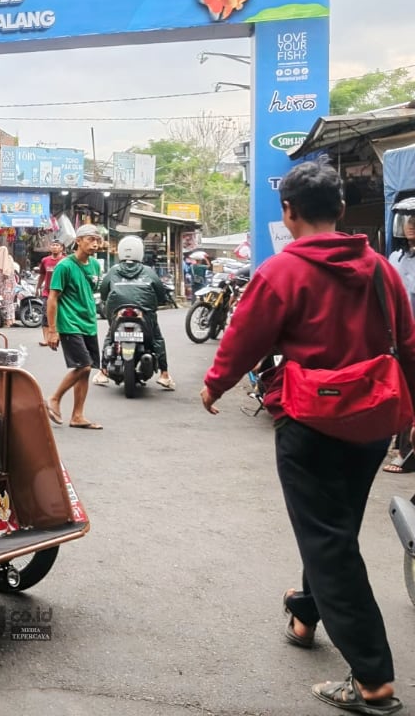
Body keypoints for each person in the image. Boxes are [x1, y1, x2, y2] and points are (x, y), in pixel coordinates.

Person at [201, 161, 413, 716]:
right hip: (373, 421)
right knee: (332, 525)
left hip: (310, 422)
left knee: (327, 538)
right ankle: (303, 613)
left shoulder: (281, 272)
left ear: (288, 212)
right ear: (341, 211)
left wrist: (215, 384)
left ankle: (373, 682)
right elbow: (409, 345)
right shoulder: (382, 270)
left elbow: (245, 337)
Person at [93, 236, 175, 390]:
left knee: (111, 336)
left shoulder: (113, 271)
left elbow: (103, 294)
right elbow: (161, 295)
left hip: (117, 313)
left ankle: (103, 371)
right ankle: (164, 375)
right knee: (156, 338)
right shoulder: (149, 272)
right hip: (144, 314)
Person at [44, 224, 103, 430]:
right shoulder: (64, 266)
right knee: (84, 365)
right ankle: (54, 398)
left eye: (98, 240)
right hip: (69, 323)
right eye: (90, 239)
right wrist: (52, 330)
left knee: (85, 370)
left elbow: (91, 291)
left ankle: (77, 416)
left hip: (89, 323)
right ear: (78, 241)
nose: (95, 244)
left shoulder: (96, 266)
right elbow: (53, 298)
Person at [385, 196, 415, 473]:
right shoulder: (395, 258)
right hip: (399, 337)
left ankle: (406, 452)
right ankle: (401, 444)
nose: (410, 225)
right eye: (406, 219)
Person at [36, 238, 66, 345]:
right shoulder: (45, 260)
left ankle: (60, 336)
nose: (55, 247)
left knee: (61, 315)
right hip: (47, 293)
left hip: (62, 293)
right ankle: (46, 339)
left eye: (57, 245)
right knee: (45, 315)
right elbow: (42, 275)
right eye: (53, 245)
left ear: (62, 248)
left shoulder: (65, 260)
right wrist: (38, 287)